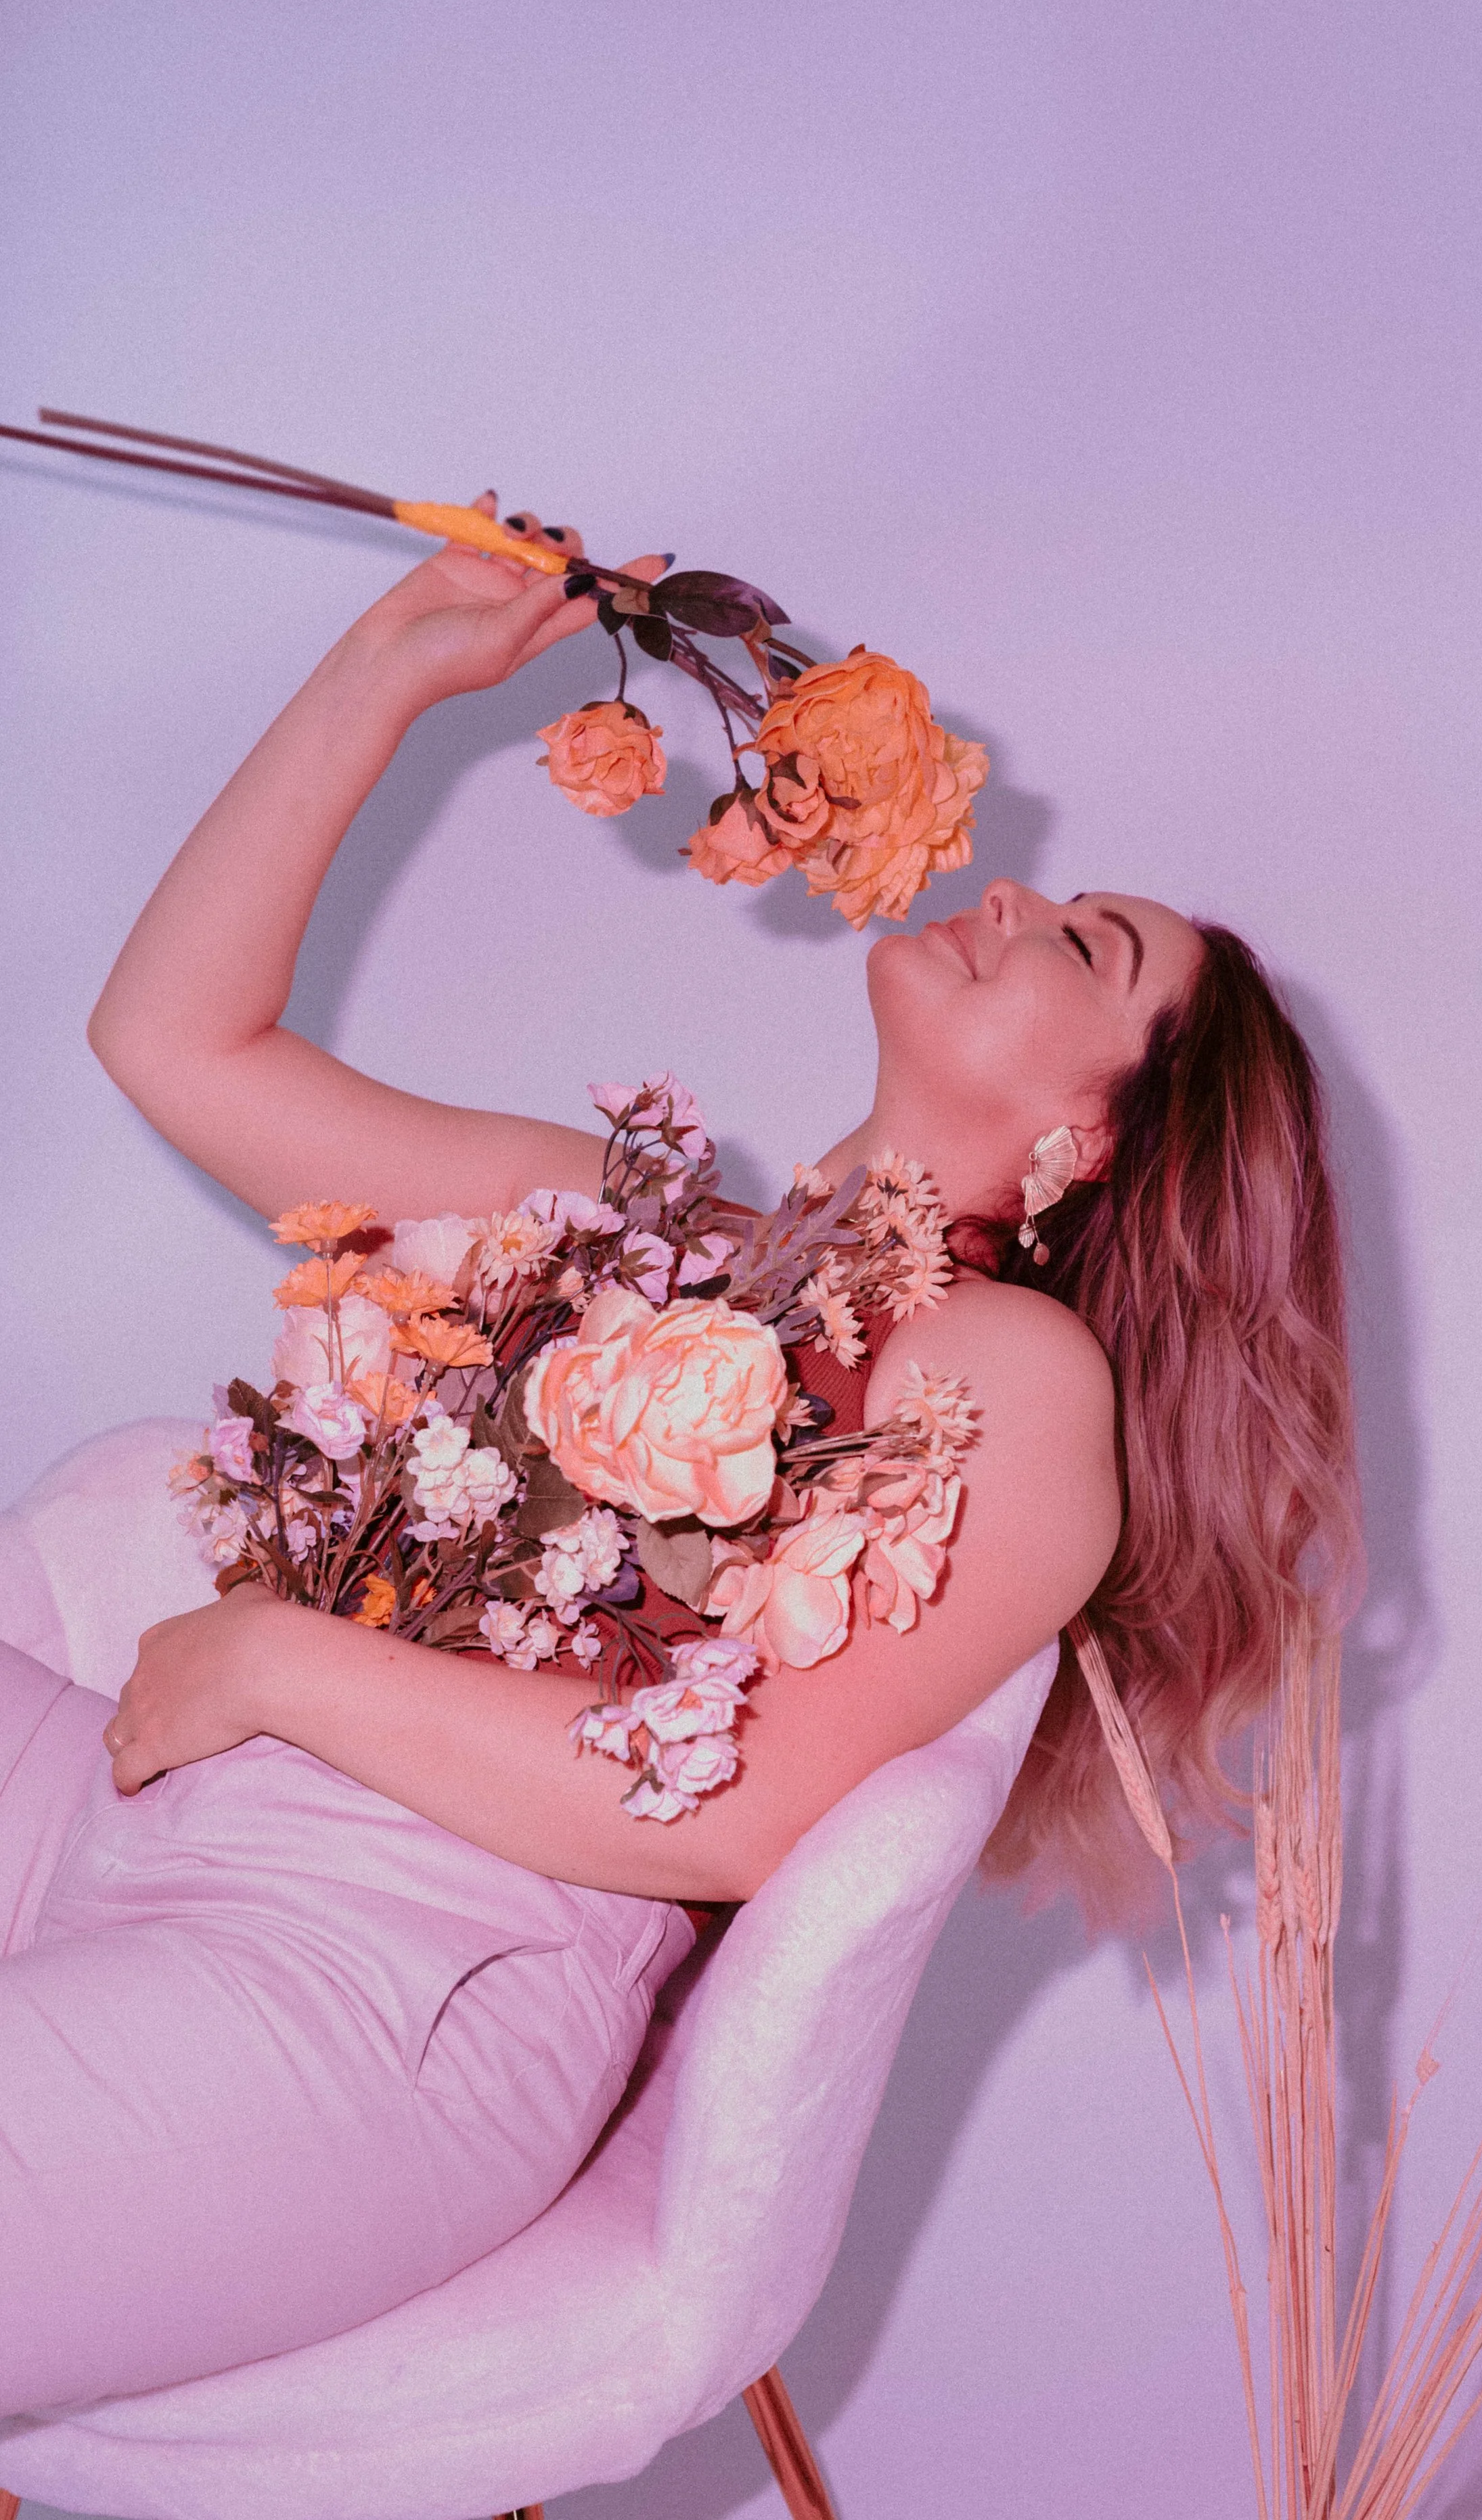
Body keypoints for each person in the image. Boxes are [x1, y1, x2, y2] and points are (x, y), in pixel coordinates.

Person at [0, 509, 1357, 2413]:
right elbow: (177, 1045)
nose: (1007, 899)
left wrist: (277, 1658)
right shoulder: (633, 1220)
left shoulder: (1011, 1376)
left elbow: (732, 1816)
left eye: (1087, 943)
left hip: (380, 1996)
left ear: (1102, 1144)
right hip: (140, 1818)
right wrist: (383, 675)